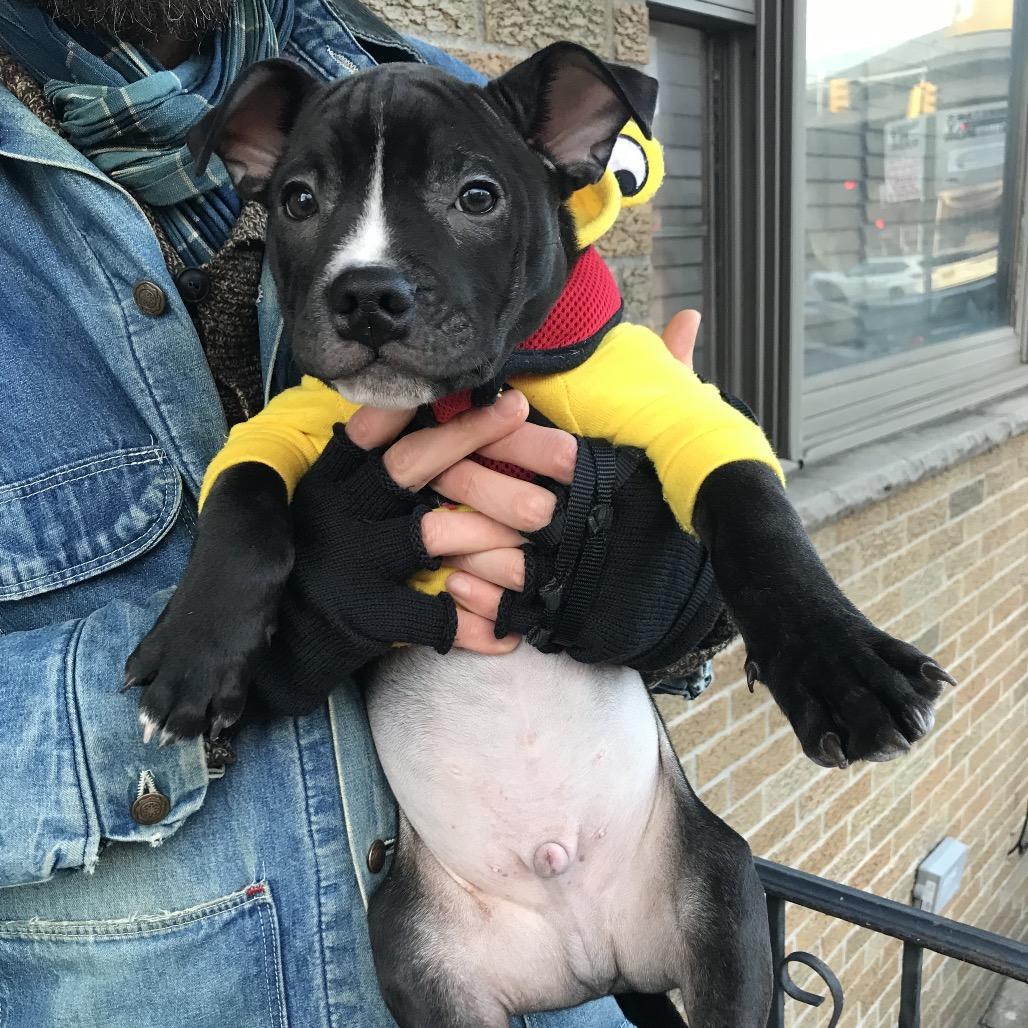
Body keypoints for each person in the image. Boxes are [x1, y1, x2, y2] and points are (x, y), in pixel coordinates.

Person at [0, 1, 716, 1025]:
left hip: (575, 966)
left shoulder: (454, 104)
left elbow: (614, 419)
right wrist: (238, 649)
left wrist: (676, 578)